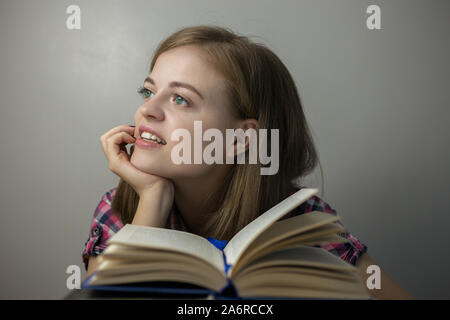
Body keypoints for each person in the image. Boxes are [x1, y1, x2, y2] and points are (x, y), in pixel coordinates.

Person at [82, 25, 412, 299]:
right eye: (148, 92)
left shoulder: (303, 222)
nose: (147, 110)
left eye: (181, 99)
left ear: (239, 140)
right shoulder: (119, 210)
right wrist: (152, 200)